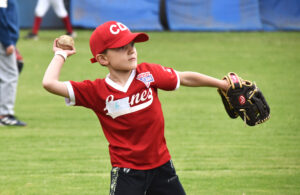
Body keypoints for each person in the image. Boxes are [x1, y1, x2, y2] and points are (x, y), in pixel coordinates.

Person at [42, 21, 229, 194]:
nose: (131, 50)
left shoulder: (148, 74)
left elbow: (185, 77)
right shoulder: (95, 91)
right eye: (121, 47)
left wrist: (222, 85)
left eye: (132, 44)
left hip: (162, 167)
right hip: (127, 173)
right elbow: (49, 83)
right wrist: (61, 54)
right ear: (102, 59)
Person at [0, 0, 26, 126]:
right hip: (3, 40)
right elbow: (0, 14)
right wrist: (7, 41)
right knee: (10, 75)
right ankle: (4, 115)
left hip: (5, 39)